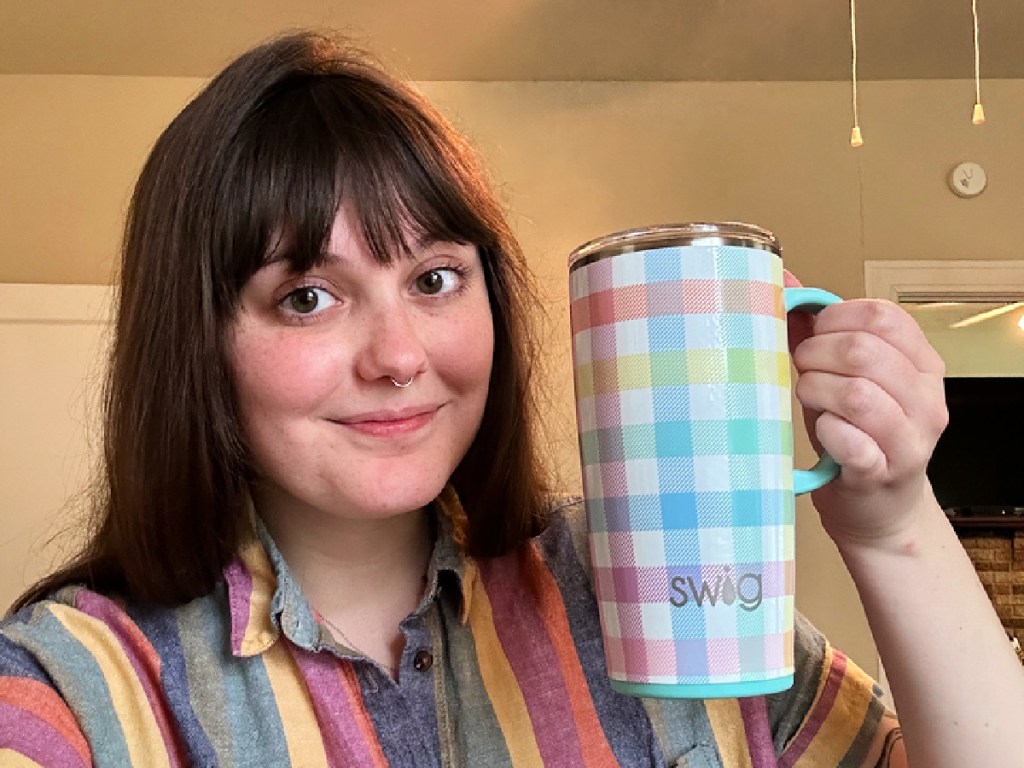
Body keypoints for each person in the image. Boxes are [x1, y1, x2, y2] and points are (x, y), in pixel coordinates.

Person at [0, 30, 1020, 768]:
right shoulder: (81, 684)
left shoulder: (640, 581)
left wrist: (889, 525)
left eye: (435, 279)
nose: (399, 356)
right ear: (196, 344)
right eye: (307, 297)